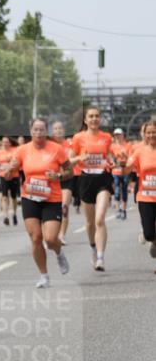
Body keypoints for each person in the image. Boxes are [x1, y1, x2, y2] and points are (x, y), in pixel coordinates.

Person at [7, 118, 72, 288]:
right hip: (30, 197)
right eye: (35, 130)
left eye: (42, 130)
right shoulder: (22, 150)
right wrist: (10, 168)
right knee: (36, 237)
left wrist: (58, 176)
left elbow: (70, 171)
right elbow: (7, 175)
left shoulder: (56, 149)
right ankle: (44, 276)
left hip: (51, 198)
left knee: (50, 239)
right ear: (31, 131)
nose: (39, 133)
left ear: (46, 132)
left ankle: (59, 252)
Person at [71, 107, 116, 272]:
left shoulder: (106, 137)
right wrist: (79, 158)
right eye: (91, 116)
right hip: (85, 180)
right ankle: (93, 247)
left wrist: (112, 162)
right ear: (85, 120)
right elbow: (69, 160)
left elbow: (109, 156)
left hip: (102, 179)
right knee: (90, 223)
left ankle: (100, 257)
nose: (94, 119)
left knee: (100, 219)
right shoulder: (78, 138)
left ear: (100, 119)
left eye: (97, 116)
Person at [125, 119, 156, 272]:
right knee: (149, 233)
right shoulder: (139, 151)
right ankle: (153, 241)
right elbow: (127, 169)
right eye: (148, 132)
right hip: (145, 197)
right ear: (144, 134)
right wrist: (124, 165)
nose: (151, 135)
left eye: (154, 132)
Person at [51, 121, 75, 244]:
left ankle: (62, 235)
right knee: (52, 208)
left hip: (66, 179)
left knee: (64, 206)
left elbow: (70, 160)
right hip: (53, 180)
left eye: (60, 128)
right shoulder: (49, 145)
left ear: (64, 131)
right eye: (55, 128)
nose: (58, 131)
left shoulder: (69, 144)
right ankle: (52, 233)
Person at [0, 136, 20, 226]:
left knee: (13, 197)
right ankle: (5, 216)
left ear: (10, 143)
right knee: (4, 197)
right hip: (3, 176)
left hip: (14, 176)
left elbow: (16, 162)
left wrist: (9, 165)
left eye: (6, 142)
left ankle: (14, 214)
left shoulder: (15, 150)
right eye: (3, 142)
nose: (5, 144)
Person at [110, 128, 130, 219]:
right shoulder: (112, 147)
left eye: (119, 135)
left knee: (124, 190)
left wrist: (125, 156)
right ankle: (118, 210)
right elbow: (110, 158)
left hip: (125, 171)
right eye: (116, 135)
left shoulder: (128, 145)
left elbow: (131, 158)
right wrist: (113, 161)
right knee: (117, 191)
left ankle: (124, 210)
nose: (117, 137)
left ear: (123, 135)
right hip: (116, 171)